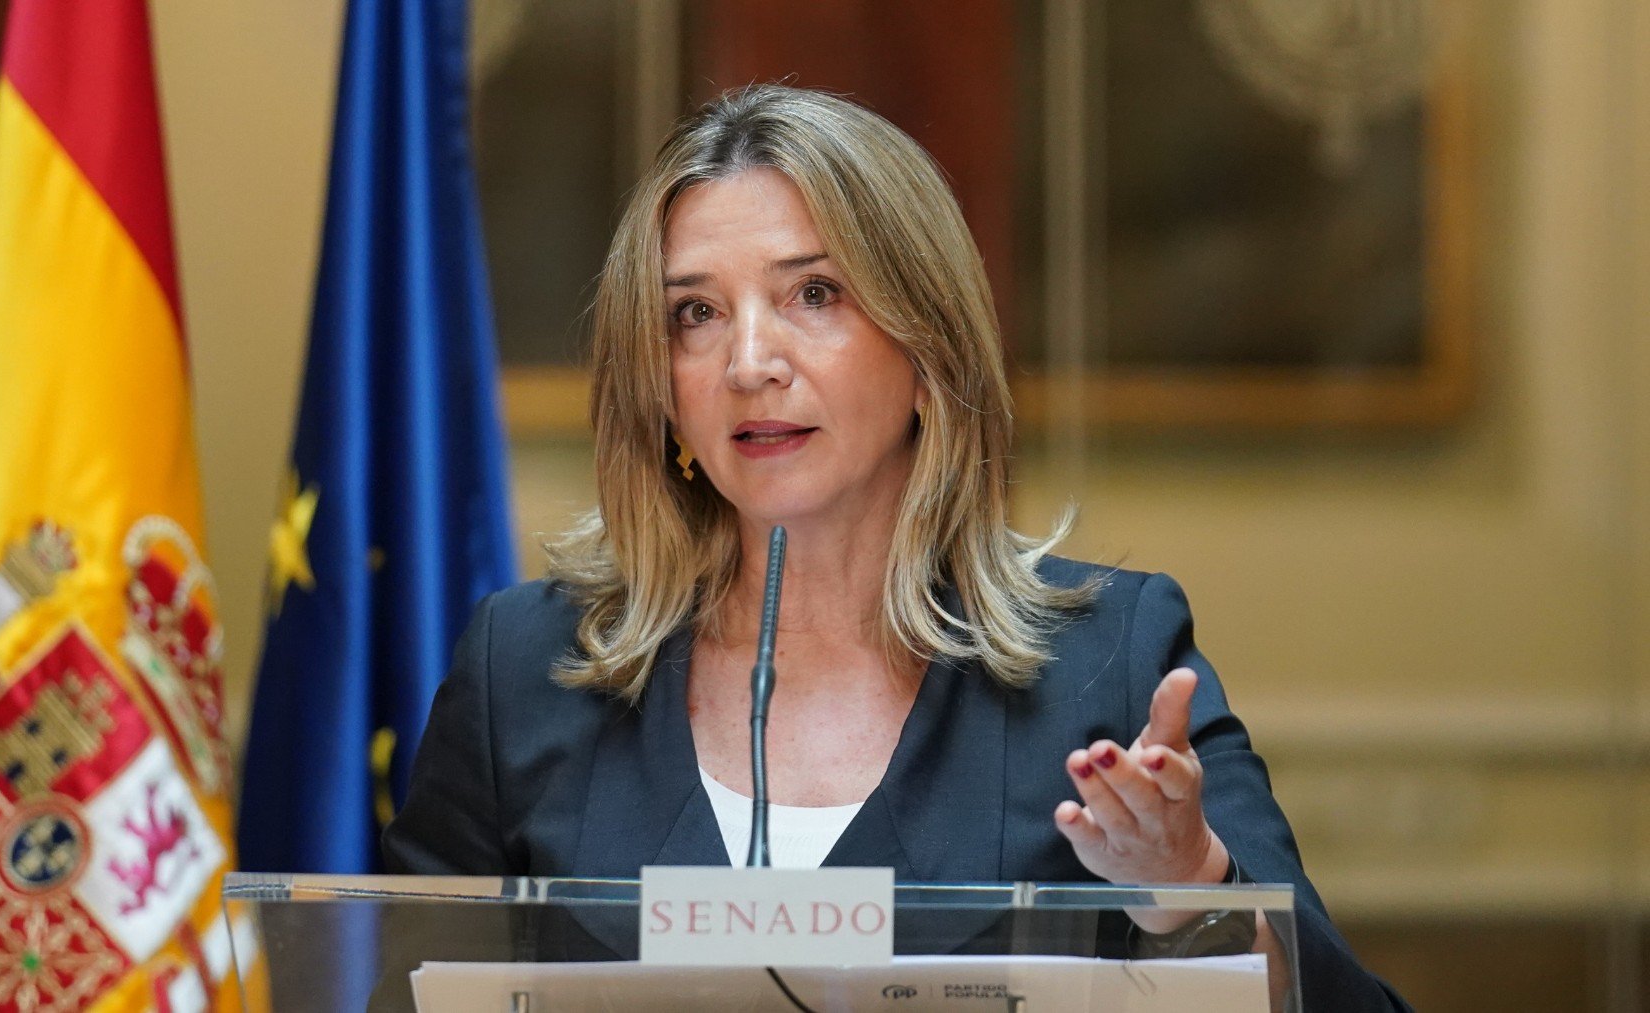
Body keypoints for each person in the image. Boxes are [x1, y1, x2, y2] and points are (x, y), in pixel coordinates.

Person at [384, 84, 1409, 1011]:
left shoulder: (1111, 659)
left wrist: (1191, 882)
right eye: (694, 313)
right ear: (660, 386)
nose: (749, 362)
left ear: (929, 346)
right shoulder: (524, 667)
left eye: (813, 294)